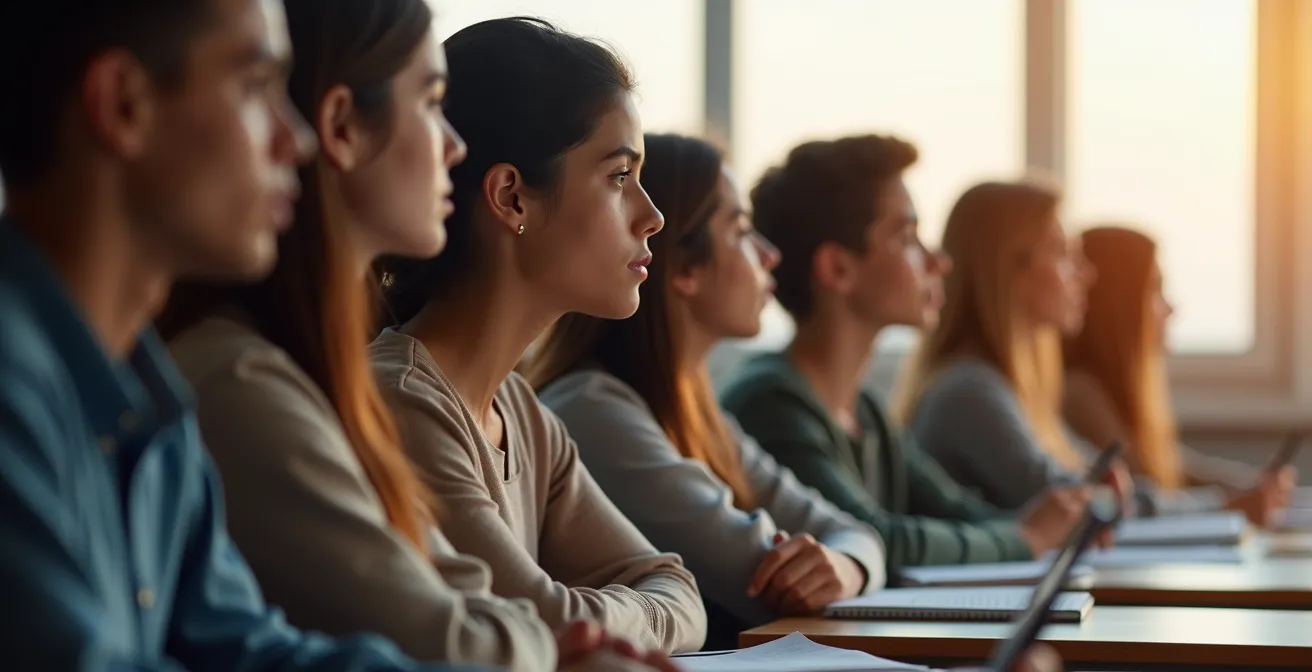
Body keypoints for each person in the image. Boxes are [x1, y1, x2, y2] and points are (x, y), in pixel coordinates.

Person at [0, 0, 487, 669]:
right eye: (256, 88)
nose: (298, 140)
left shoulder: (152, 402)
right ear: (123, 106)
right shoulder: (17, 387)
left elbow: (251, 650)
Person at [370, 18, 706, 655]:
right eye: (617, 176)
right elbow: (537, 619)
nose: (653, 216)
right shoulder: (403, 402)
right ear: (511, 198)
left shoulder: (524, 416)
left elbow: (677, 589)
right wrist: (604, 617)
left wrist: (585, 619)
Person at [527, 134, 888, 651]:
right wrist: (833, 563)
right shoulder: (591, 409)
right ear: (685, 269)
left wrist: (845, 565)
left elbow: (857, 533)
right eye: (741, 230)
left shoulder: (700, 411)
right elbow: (760, 579)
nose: (769, 254)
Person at [718, 135, 1092, 576]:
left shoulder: (868, 412)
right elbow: (876, 537)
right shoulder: (771, 404)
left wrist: (1055, 522)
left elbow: (955, 511)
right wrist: (1026, 537)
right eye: (907, 237)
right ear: (838, 269)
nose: (938, 262)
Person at [892, 179, 1113, 511]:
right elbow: (1073, 501)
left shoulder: (1012, 389)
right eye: (1063, 254)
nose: (1086, 274)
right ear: (1009, 269)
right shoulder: (970, 390)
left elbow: (1094, 480)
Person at [1063, 225, 1295, 525]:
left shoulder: (1111, 393)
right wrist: (1228, 503)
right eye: (1154, 290)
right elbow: (1144, 487)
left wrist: (1248, 486)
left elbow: (1175, 467)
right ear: (1119, 304)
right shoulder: (1080, 395)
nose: (1170, 308)